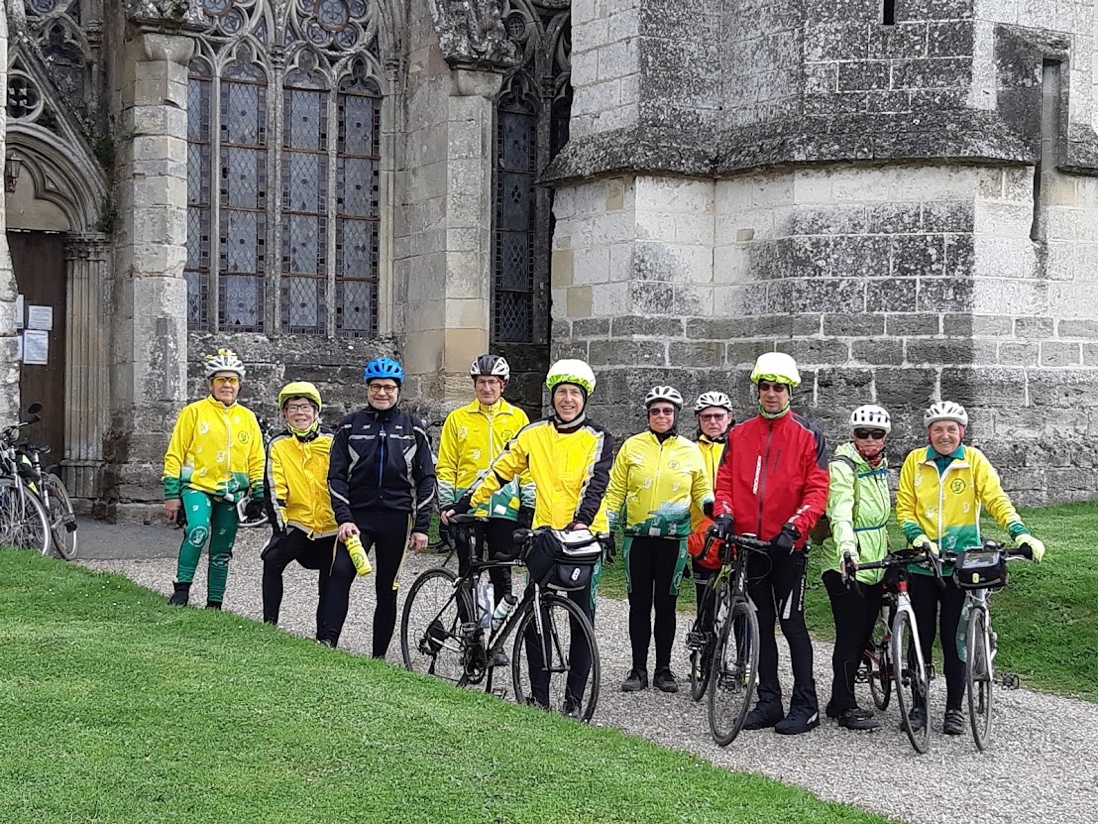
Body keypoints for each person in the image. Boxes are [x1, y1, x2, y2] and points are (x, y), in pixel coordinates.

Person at [443, 358, 612, 717]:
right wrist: (465, 502)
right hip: (544, 536)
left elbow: (594, 483)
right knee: (536, 614)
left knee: (582, 617)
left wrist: (581, 522)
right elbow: (499, 471)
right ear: (553, 398)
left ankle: (573, 701)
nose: (567, 400)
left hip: (582, 539)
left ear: (585, 399)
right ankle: (538, 697)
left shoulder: (597, 437)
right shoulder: (533, 434)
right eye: (561, 393)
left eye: (574, 394)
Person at [896, 400, 1046, 735]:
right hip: (923, 563)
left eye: (952, 429)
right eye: (938, 429)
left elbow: (996, 500)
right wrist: (917, 536)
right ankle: (919, 707)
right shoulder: (915, 462)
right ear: (928, 433)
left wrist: (1020, 532)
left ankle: (953, 709)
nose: (945, 435)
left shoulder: (973, 460)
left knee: (955, 639)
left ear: (961, 432)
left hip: (962, 565)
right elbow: (905, 508)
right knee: (919, 638)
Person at [712, 351, 829, 735]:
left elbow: (817, 490)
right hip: (751, 546)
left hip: (787, 548)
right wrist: (725, 514)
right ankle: (769, 701)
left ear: (790, 391)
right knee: (760, 624)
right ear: (757, 391)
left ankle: (806, 704)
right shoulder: (739, 433)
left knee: (792, 623)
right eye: (765, 387)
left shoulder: (809, 435)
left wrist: (795, 529)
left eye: (779, 388)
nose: (772, 394)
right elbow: (725, 481)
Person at [604, 385, 713, 694]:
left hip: (674, 540)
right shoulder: (632, 447)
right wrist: (607, 530)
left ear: (676, 414)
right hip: (637, 538)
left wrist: (716, 511)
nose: (661, 416)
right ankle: (638, 668)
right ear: (648, 415)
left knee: (666, 605)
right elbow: (615, 492)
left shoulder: (690, 450)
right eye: (655, 411)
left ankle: (663, 670)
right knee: (639, 605)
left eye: (667, 411)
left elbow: (702, 490)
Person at [328, 357, 436, 659]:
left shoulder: (413, 428)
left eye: (389, 387)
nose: (382, 393)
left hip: (396, 518)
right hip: (357, 518)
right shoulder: (350, 425)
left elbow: (426, 478)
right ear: (367, 389)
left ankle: (378, 658)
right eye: (376, 387)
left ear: (398, 390)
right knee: (340, 573)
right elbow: (335, 476)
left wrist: (421, 527)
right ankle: (327, 644)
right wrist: (344, 518)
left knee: (387, 588)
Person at [162, 348, 265, 609]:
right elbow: (175, 453)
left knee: (222, 547)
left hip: (233, 492)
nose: (227, 385)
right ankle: (182, 590)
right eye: (221, 380)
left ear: (239, 384)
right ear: (210, 383)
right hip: (197, 486)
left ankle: (214, 602)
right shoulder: (193, 413)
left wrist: (259, 492)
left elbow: (256, 459)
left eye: (232, 380)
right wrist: (172, 494)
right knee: (197, 530)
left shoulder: (248, 418)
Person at [261, 381, 361, 647]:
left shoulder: (333, 440)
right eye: (292, 408)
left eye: (305, 407)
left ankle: (324, 639)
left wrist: (347, 518)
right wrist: (280, 525)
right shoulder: (278, 444)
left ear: (316, 411)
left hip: (330, 525)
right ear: (284, 414)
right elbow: (274, 485)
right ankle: (269, 625)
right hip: (298, 523)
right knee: (272, 560)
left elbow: (347, 479)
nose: (299, 413)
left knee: (330, 580)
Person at [818, 405, 893, 732]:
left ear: (885, 437)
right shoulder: (843, 466)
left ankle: (838, 698)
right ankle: (845, 705)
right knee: (850, 636)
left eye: (876, 434)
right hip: (843, 562)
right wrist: (847, 550)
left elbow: (879, 519)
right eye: (863, 433)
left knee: (863, 634)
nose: (870, 440)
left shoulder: (881, 466)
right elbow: (841, 513)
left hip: (875, 561)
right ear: (853, 435)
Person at [436, 354, 533, 608]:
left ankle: (496, 642)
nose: (486, 388)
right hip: (466, 509)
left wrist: (528, 507)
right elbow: (446, 465)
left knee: (502, 573)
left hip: (505, 508)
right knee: (467, 573)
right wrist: (446, 504)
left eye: (492, 382)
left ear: (503, 384)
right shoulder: (457, 419)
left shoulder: (518, 418)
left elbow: (527, 468)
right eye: (481, 382)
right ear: (474, 384)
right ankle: (471, 638)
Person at [685, 391, 735, 634]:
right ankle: (704, 660)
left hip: (735, 532)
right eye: (706, 417)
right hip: (701, 536)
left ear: (729, 418)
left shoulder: (739, 448)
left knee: (740, 601)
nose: (713, 422)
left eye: (718, 416)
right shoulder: (689, 450)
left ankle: (743, 662)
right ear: (698, 419)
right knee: (705, 601)